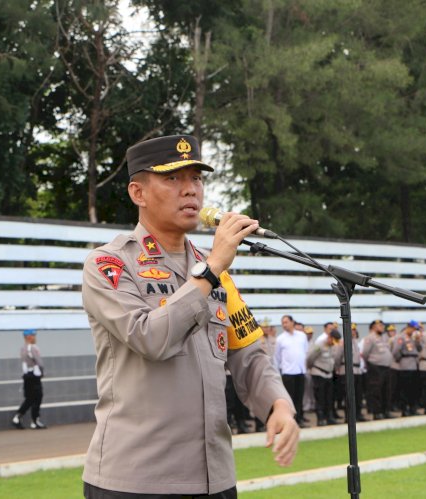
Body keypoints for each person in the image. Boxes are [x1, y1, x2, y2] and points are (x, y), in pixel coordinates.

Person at [80, 134, 298, 497]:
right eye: (172, 178)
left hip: (214, 478)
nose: (190, 190)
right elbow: (149, 338)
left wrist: (278, 404)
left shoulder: (215, 271)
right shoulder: (111, 264)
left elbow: (248, 353)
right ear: (138, 193)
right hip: (137, 481)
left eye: (196, 178)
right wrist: (211, 269)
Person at [276, 315, 309, 427]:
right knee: (289, 398)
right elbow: (277, 357)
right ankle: (290, 421)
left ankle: (299, 419)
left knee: (299, 397)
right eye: (283, 323)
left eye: (286, 322)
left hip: (300, 371)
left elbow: (305, 351)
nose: (284, 325)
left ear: (292, 322)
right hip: (288, 372)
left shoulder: (302, 336)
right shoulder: (280, 339)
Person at [12, 329, 47, 430]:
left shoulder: (22, 349)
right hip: (34, 376)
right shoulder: (32, 348)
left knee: (29, 398)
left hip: (27, 376)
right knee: (38, 397)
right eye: (33, 335)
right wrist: (42, 372)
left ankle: (17, 417)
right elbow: (39, 362)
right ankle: (35, 421)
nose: (34, 337)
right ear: (28, 337)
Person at [306, 329, 341, 426]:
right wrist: (310, 368)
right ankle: (321, 419)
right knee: (320, 398)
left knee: (329, 398)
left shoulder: (332, 346)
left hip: (329, 374)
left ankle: (329, 417)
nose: (333, 343)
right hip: (319, 373)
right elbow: (310, 358)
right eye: (333, 340)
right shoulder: (319, 345)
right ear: (329, 337)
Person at [332, 323, 367, 422]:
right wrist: (337, 368)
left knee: (358, 394)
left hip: (357, 370)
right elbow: (337, 357)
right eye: (352, 330)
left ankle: (358, 414)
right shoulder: (342, 342)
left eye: (354, 330)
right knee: (348, 395)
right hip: (346, 369)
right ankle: (349, 416)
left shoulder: (355, 342)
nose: (353, 331)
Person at [361, 320, 394, 420]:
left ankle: (385, 410)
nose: (382, 327)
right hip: (376, 367)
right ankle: (377, 412)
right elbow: (365, 353)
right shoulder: (370, 338)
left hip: (386, 367)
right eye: (380, 325)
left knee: (386, 390)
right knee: (376, 390)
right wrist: (371, 363)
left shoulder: (383, 338)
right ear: (374, 327)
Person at [392, 321, 422, 416]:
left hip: (413, 365)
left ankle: (412, 408)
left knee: (412, 389)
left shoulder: (413, 338)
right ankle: (404, 409)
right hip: (404, 365)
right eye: (413, 328)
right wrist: (400, 360)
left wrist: (417, 341)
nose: (414, 331)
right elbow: (396, 351)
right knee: (404, 389)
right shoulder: (401, 337)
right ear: (409, 327)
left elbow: (419, 349)